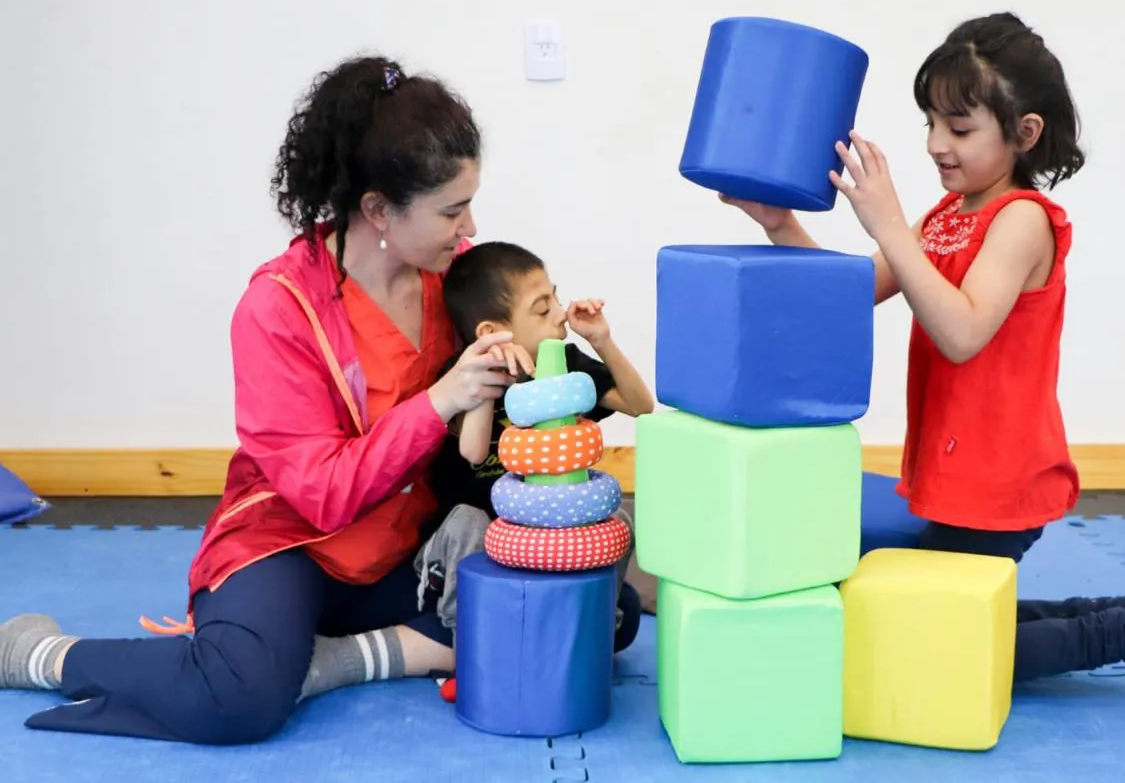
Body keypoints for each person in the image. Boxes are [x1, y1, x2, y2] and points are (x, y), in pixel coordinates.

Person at [0, 55, 536, 744]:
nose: (469, 229)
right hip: (292, 545)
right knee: (239, 698)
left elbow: (509, 379)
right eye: (452, 210)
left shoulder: (453, 282)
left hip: (401, 547)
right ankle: (43, 653)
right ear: (378, 209)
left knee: (576, 616)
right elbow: (320, 493)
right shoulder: (277, 307)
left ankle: (328, 661)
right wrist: (438, 400)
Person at [723, 12, 1125, 714]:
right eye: (930, 122)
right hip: (952, 465)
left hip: (999, 469)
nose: (936, 145)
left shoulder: (1022, 218)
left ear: (1025, 133)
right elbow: (844, 298)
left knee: (933, 642)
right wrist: (781, 225)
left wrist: (891, 225)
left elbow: (962, 331)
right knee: (946, 609)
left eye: (959, 130)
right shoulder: (947, 216)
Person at [418, 240, 655, 653]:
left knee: (619, 519)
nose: (561, 314)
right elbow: (473, 451)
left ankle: (595, 628)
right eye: (543, 309)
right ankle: (466, 644)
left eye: (556, 298)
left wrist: (602, 341)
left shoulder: (565, 363)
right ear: (491, 332)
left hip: (544, 540)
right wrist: (492, 372)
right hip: (480, 540)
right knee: (466, 521)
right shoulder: (463, 374)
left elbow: (640, 405)